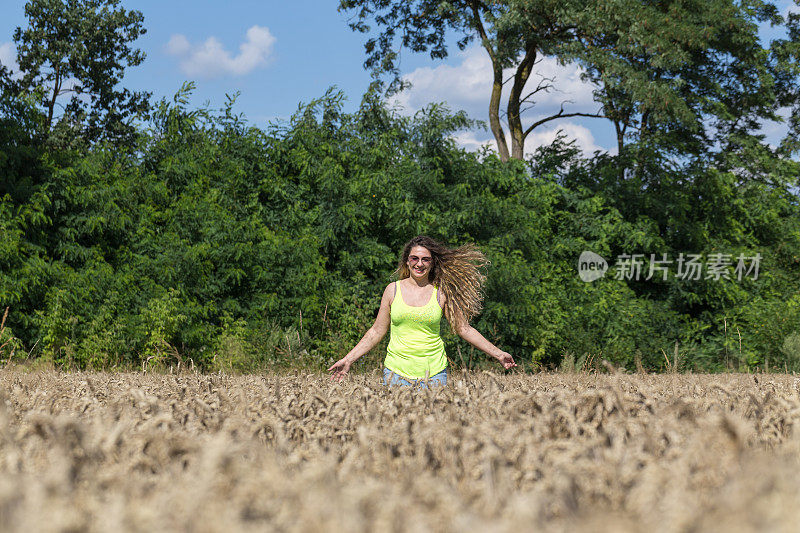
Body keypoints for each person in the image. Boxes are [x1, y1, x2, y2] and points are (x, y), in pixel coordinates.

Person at [328, 236, 517, 386]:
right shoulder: (392, 290)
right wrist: (348, 359)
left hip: (434, 375)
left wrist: (498, 353)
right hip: (396, 373)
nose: (420, 264)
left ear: (432, 263)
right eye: (415, 258)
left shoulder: (442, 293)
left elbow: (464, 329)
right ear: (407, 261)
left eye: (425, 259)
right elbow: (377, 331)